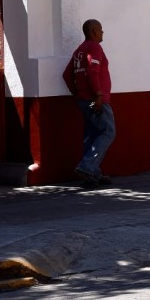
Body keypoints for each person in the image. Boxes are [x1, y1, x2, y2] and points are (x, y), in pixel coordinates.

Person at [63, 19, 116, 186]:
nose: (102, 32)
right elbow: (93, 71)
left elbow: (67, 74)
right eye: (100, 29)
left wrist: (78, 93)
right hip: (95, 101)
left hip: (84, 100)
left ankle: (92, 174)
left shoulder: (79, 50)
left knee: (92, 134)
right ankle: (87, 167)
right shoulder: (94, 47)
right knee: (108, 131)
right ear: (93, 31)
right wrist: (98, 94)